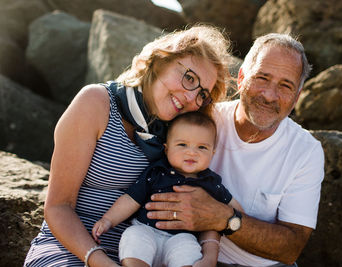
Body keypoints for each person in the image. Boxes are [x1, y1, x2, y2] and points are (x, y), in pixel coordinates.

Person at [24, 25, 233, 267]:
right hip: (71, 250)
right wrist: (100, 261)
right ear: (160, 61)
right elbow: (58, 207)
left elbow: (200, 199)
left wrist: (209, 256)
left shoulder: (181, 138)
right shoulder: (96, 103)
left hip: (142, 255)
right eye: (189, 78)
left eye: (202, 94)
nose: (190, 98)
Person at [145, 33, 325, 267]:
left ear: (297, 97)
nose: (269, 95)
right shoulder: (201, 121)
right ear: (241, 78)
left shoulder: (306, 151)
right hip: (185, 254)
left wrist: (223, 218)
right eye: (262, 78)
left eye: (285, 85)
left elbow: (291, 248)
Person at [92, 112, 242, 267]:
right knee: (133, 236)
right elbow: (131, 199)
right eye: (182, 144)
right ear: (166, 149)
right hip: (147, 229)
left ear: (212, 153)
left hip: (182, 237)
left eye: (202, 147)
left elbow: (233, 207)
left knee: (189, 251)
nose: (192, 152)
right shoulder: (157, 172)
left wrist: (241, 217)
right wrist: (108, 220)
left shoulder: (211, 183)